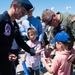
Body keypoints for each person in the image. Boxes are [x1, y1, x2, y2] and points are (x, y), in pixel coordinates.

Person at [0, 0, 43, 75]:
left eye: (25, 13)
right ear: (14, 6)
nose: (23, 15)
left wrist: (33, 52)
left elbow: (20, 42)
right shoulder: (1, 21)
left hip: (7, 62)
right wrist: (5, 53)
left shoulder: (15, 25)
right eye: (23, 12)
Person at [42, 9, 75, 74]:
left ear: (54, 15)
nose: (50, 25)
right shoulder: (53, 28)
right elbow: (55, 41)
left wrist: (74, 50)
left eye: (49, 22)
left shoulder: (69, 19)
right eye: (47, 24)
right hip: (67, 56)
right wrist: (50, 49)